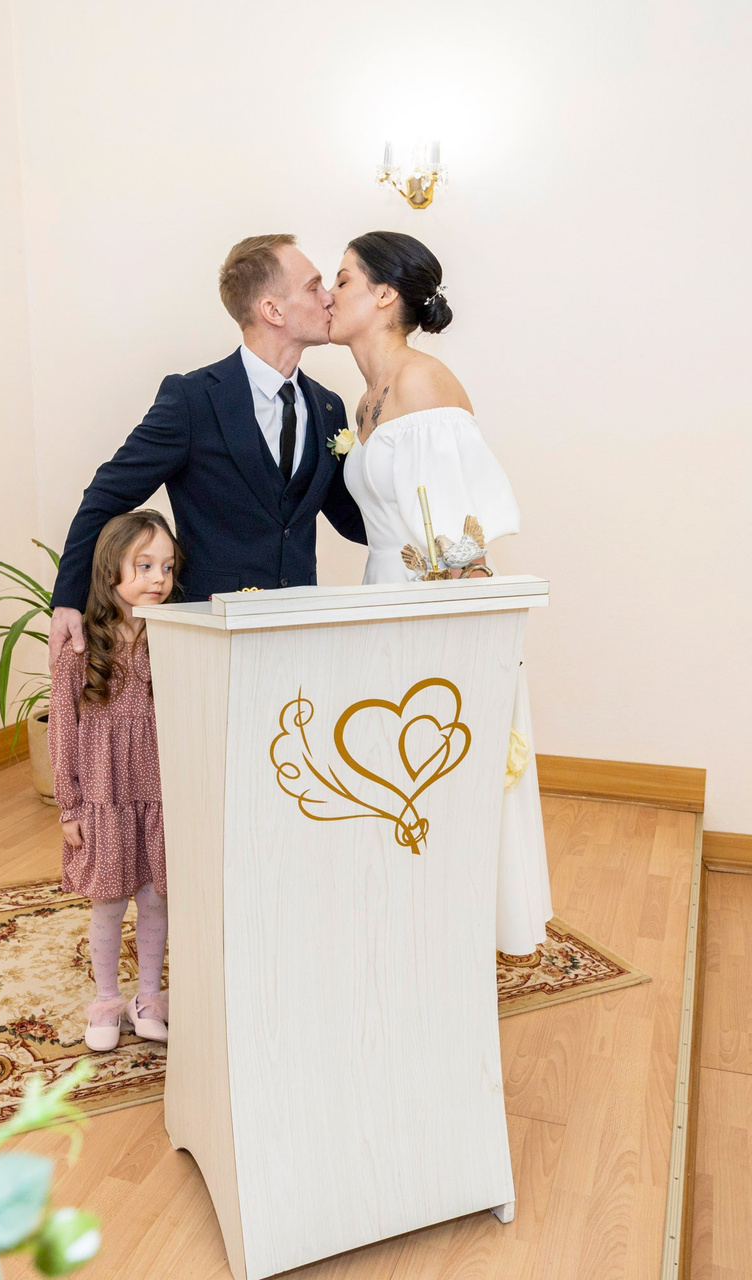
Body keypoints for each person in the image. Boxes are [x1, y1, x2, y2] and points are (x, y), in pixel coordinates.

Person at [328, 230, 555, 961]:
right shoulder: (365, 400)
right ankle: (405, 917)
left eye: (342, 279)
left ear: (384, 295)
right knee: (388, 768)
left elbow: (458, 535)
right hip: (380, 599)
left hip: (430, 606)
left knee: (438, 760)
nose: (328, 294)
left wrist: (470, 638)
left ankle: (454, 928)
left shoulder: (423, 382)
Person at [47, 234, 367, 663]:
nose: (329, 298)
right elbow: (106, 495)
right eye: (313, 286)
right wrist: (67, 600)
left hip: (298, 630)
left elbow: (350, 517)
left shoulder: (328, 407)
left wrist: (425, 543)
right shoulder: (193, 401)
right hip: (210, 636)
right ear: (272, 310)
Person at [50, 509, 179, 1051]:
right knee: (108, 903)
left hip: (158, 797)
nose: (158, 579)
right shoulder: (80, 649)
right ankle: (106, 1000)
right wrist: (70, 805)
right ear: (110, 571)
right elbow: (63, 729)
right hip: (104, 798)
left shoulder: (173, 640)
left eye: (167, 567)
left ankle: (148, 998)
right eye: (144, 565)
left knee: (156, 900)